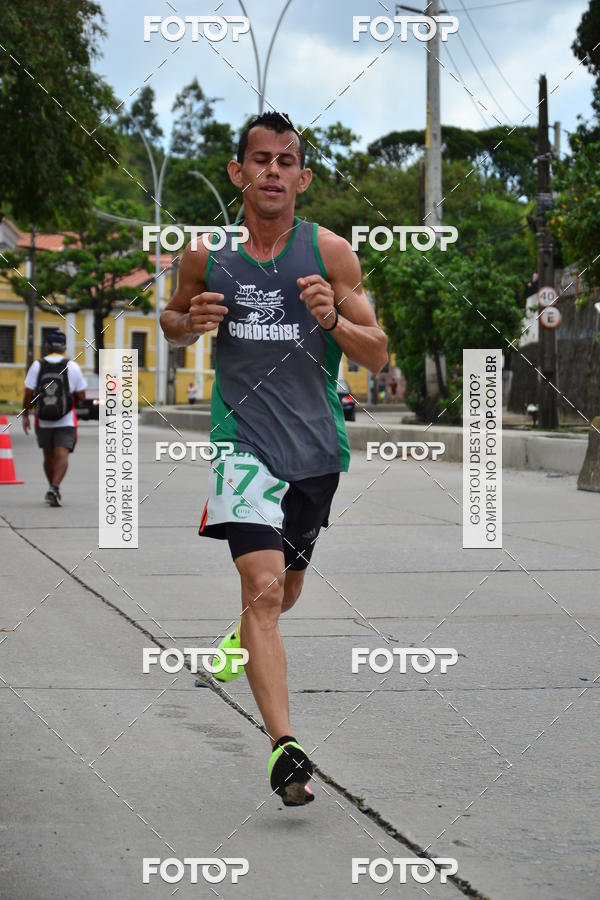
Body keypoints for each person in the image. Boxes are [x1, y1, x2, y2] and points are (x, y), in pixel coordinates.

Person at [161, 112, 388, 806]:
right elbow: (171, 321)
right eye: (260, 160)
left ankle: (242, 642)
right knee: (262, 588)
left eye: (286, 162)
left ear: (303, 177)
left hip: (315, 452)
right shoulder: (207, 255)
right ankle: (285, 751)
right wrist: (189, 321)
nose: (272, 172)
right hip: (242, 446)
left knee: (284, 593)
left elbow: (377, 351)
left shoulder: (331, 254)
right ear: (238, 172)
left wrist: (331, 319)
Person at [22, 330, 86, 507]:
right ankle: (55, 487)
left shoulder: (37, 365)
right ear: (64, 347)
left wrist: (26, 415)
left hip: (42, 419)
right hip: (66, 418)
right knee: (62, 454)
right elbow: (81, 395)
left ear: (47, 346)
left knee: (48, 456)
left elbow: (28, 392)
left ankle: (52, 487)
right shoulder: (72, 366)